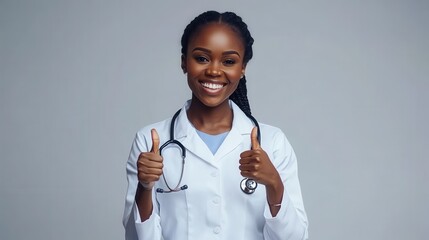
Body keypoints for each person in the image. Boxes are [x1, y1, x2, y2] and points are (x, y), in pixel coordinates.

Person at [123, 10, 308, 240]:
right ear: (184, 62)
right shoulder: (150, 141)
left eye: (229, 61)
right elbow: (134, 236)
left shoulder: (272, 142)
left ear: (243, 69)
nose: (213, 70)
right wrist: (145, 187)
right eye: (201, 58)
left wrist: (274, 184)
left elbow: (295, 237)